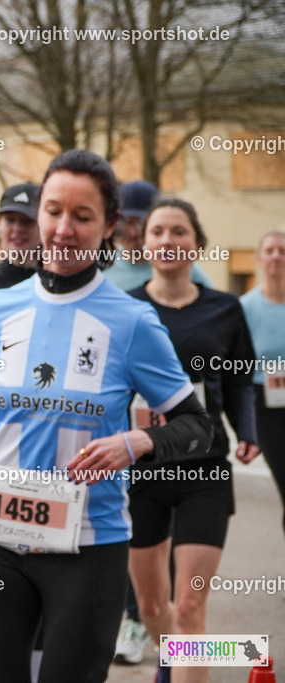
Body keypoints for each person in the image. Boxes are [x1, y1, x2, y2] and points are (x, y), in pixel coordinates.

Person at [0, 149, 213, 683]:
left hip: (89, 542)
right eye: (53, 211)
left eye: (82, 216)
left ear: (110, 225)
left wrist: (136, 443)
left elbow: (198, 427)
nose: (63, 229)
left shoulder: (133, 321)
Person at [126, 197, 259, 683]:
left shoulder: (225, 308)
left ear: (197, 244)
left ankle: (183, 659)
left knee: (187, 607)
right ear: (144, 244)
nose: (168, 240)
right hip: (141, 471)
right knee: (151, 606)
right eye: (158, 231)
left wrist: (247, 431)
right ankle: (173, 659)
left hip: (205, 469)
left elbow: (240, 381)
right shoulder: (126, 309)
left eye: (178, 231)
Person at [240, 231, 285, 541]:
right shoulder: (245, 307)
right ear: (259, 258)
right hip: (265, 403)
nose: (276, 256)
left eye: (282, 250)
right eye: (269, 250)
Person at [103, 180, 213, 291]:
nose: (134, 232)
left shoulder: (187, 273)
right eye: (127, 222)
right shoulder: (102, 268)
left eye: (141, 223)